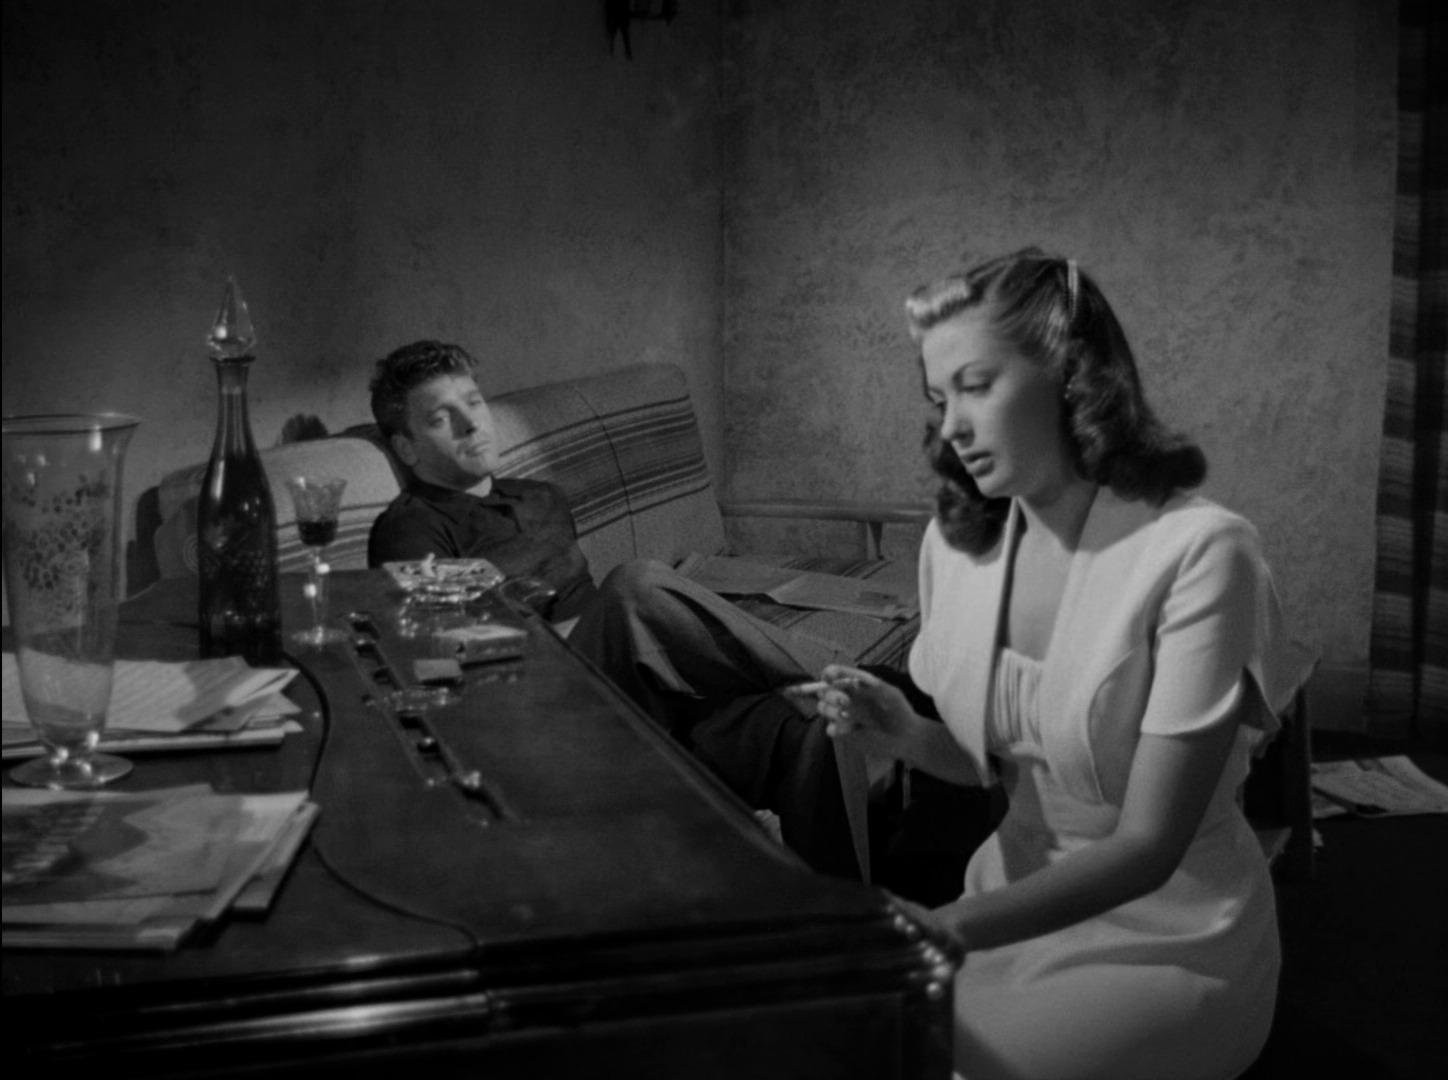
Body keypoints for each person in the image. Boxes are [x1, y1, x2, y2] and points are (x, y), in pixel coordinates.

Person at [799, 248, 1314, 1080]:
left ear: (1072, 377)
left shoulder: (1202, 552)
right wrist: (909, 737)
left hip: (1168, 932)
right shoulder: (957, 548)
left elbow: (1148, 844)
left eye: (977, 386)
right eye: (939, 399)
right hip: (1007, 903)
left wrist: (943, 929)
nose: (951, 426)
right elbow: (1015, 769)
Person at [365, 340, 863, 878]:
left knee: (809, 728)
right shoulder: (410, 528)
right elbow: (438, 655)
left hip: (637, 701)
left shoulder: (541, 495)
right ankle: (850, 674)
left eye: (474, 402)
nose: (471, 424)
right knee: (634, 584)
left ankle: (846, 909)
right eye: (442, 418)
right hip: (549, 707)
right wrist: (575, 628)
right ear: (407, 448)